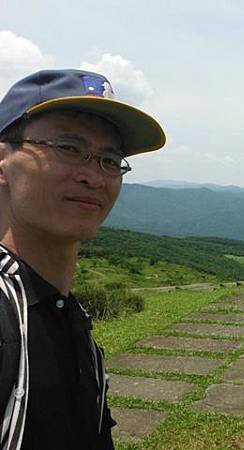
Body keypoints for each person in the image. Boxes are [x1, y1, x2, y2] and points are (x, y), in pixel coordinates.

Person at [0, 69, 166, 449]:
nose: (94, 176)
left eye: (111, 159)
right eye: (67, 148)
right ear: (2, 162)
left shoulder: (66, 314)